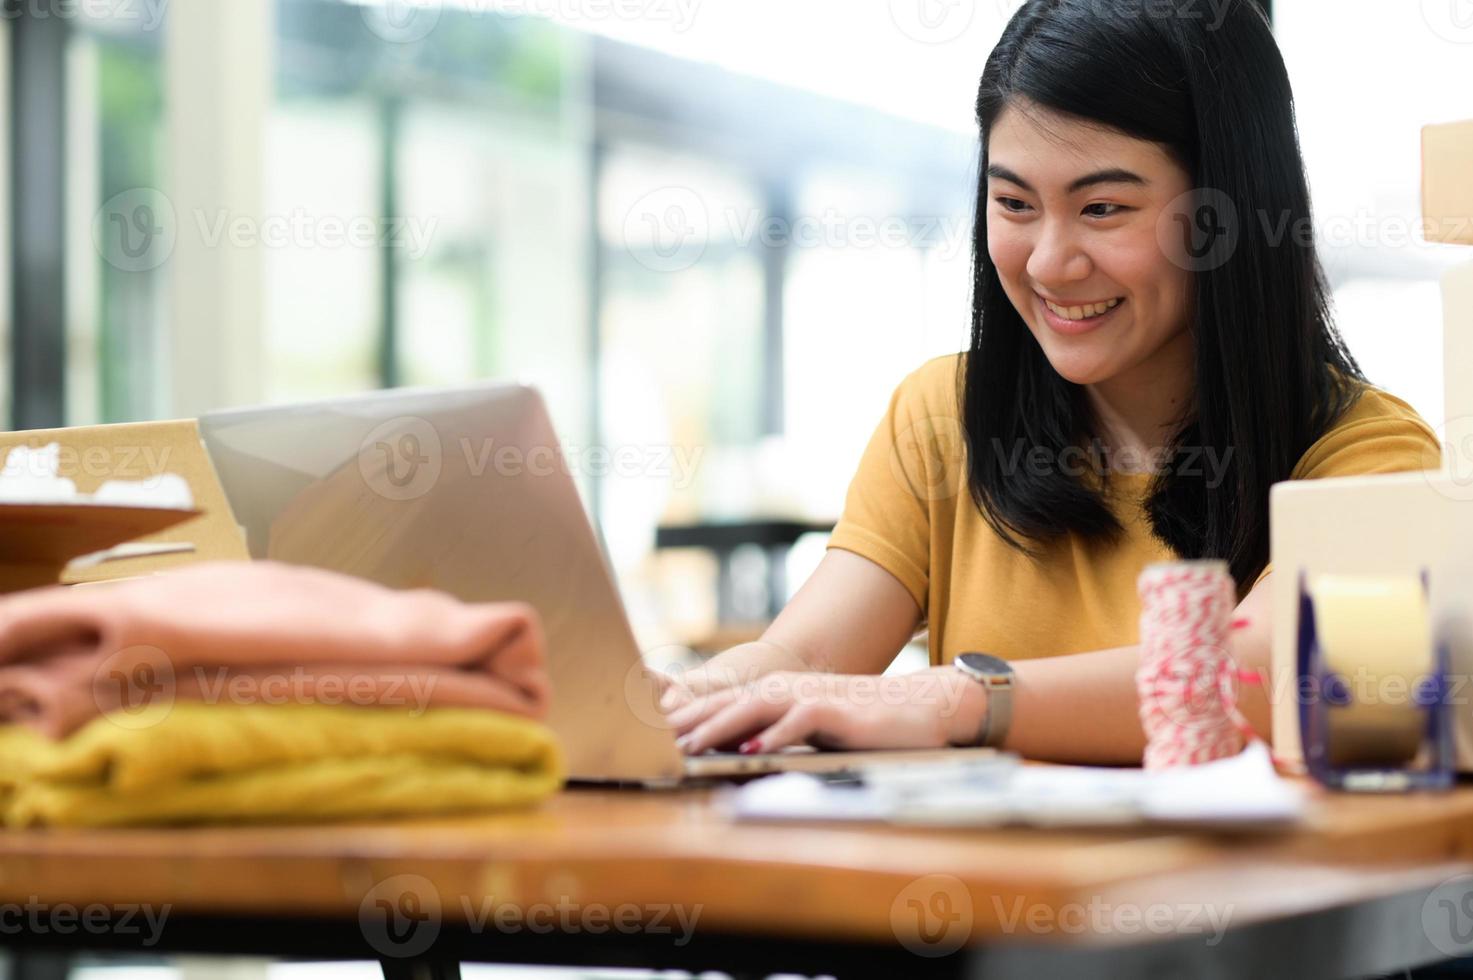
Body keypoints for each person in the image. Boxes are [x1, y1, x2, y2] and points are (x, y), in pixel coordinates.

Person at [661, 0, 1442, 764]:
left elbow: (1261, 677)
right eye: (1013, 203)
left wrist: (951, 702)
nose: (1046, 263)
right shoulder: (943, 418)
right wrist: (677, 704)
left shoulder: (1371, 461)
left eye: (1101, 208)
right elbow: (802, 653)